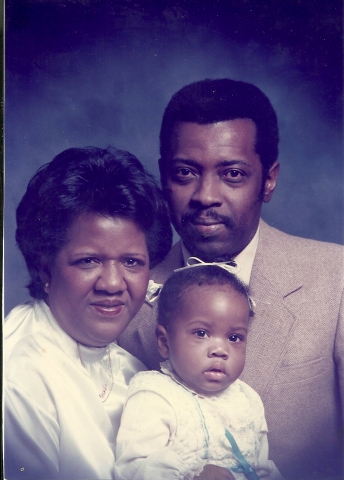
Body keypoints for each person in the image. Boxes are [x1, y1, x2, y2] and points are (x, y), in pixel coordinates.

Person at [118, 79, 344, 479]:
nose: (206, 195)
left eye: (233, 174)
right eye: (185, 172)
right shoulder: (130, 298)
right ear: (164, 179)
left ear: (269, 180)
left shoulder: (336, 278)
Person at [4, 146, 172, 479]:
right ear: (44, 269)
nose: (112, 283)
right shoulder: (18, 375)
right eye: (88, 260)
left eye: (131, 262)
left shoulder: (132, 368)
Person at [115, 265, 283, 480]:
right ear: (164, 342)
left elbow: (259, 463)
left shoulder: (247, 399)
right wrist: (191, 476)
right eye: (201, 333)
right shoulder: (154, 395)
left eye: (234, 338)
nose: (220, 350)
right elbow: (132, 470)